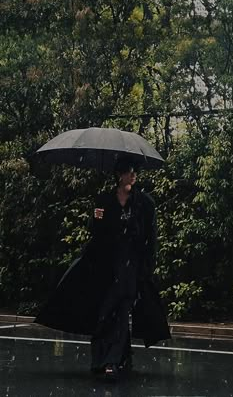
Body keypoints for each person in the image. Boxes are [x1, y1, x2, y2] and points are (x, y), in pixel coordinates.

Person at [35, 156, 170, 380]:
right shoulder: (104, 200)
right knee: (105, 313)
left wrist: (146, 268)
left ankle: (112, 361)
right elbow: (95, 231)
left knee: (121, 313)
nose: (133, 175)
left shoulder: (145, 203)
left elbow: (151, 238)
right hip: (106, 267)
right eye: (128, 171)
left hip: (131, 268)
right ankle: (104, 358)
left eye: (135, 171)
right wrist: (100, 216)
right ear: (119, 174)